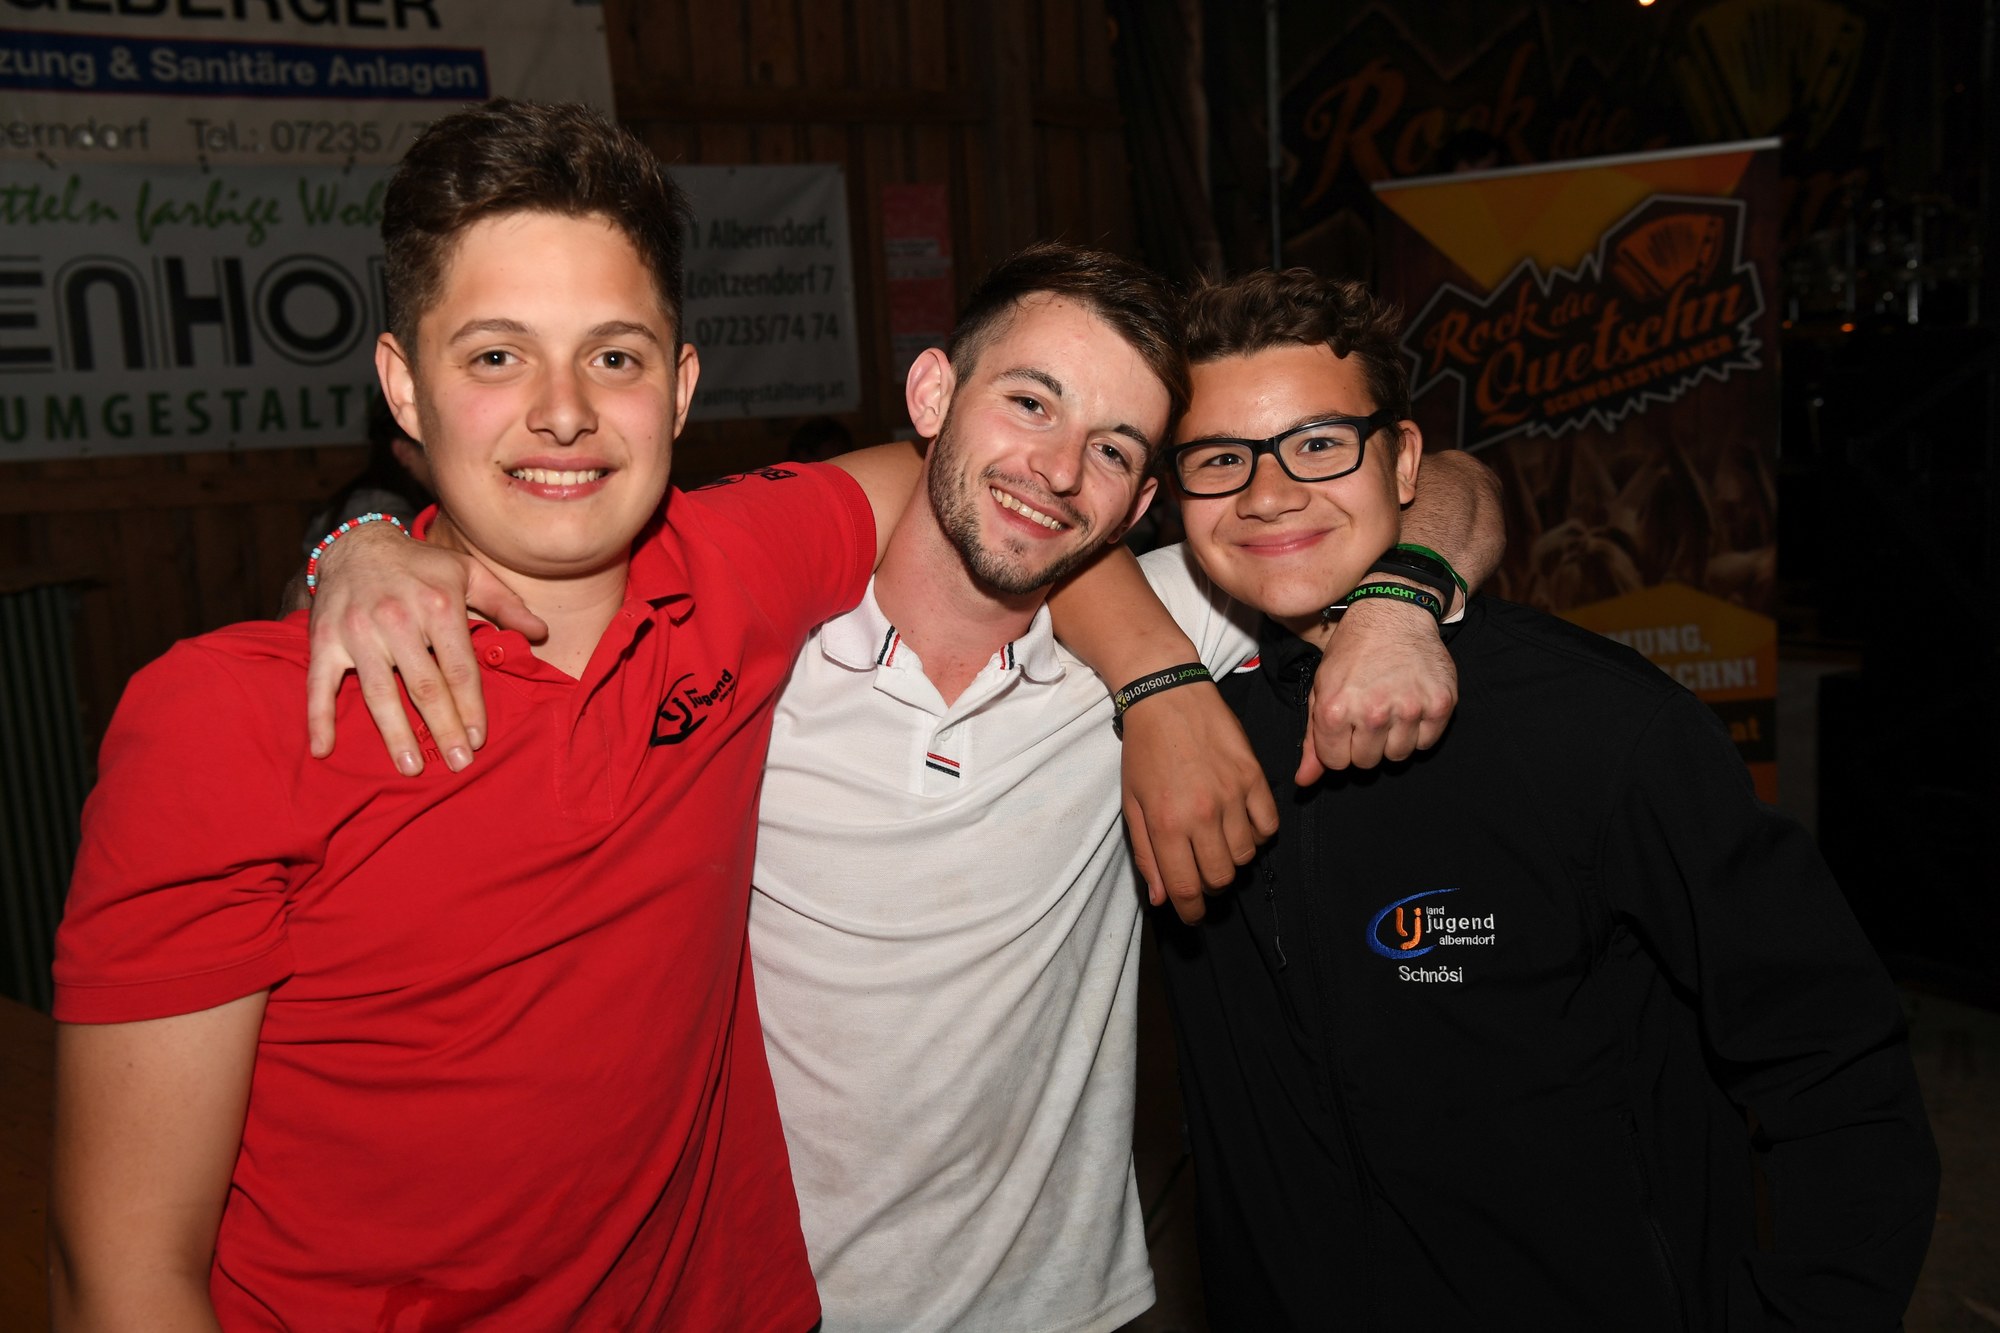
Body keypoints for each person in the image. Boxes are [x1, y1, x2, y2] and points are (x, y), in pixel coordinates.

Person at [309, 241, 1506, 1331]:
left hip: (1067, 1311)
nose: (1055, 469)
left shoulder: (1168, 625)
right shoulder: (757, 656)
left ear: (1140, 504)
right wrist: (359, 547)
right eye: (1028, 402)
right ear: (932, 395)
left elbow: (1451, 482)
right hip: (765, 1302)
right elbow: (532, 569)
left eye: (1110, 449)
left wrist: (1395, 604)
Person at [49, 99, 920, 1330]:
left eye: (613, 357)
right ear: (403, 389)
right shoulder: (224, 720)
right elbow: (122, 1274)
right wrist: (354, 541)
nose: (562, 410)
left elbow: (938, 476)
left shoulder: (729, 571)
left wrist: (1156, 679)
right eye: (496, 357)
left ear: (679, 390)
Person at [1152, 267, 1940, 1332]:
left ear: (1403, 462)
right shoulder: (1178, 728)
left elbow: (1833, 1063)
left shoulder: (1601, 728)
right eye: (1218, 458)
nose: (1268, 492)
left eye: (1319, 443)